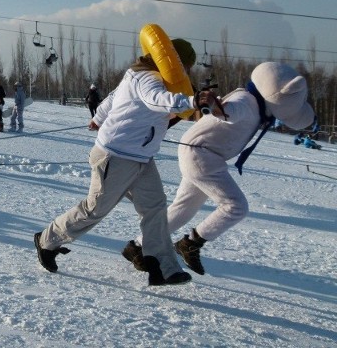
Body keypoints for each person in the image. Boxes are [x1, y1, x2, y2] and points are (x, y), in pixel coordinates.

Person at [34, 38, 208, 286]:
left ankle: (163, 267)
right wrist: (192, 101)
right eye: (186, 67)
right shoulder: (147, 78)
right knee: (95, 210)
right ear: (174, 62)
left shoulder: (137, 76)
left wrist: (99, 117)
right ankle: (46, 240)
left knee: (155, 208)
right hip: (115, 156)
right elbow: (155, 99)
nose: (186, 72)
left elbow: (113, 97)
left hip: (141, 158)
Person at [123, 62, 315, 276]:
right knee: (236, 206)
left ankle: (137, 247)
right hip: (201, 155)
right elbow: (230, 111)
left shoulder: (256, 106)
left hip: (204, 155)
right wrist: (216, 107)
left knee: (184, 208)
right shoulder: (246, 101)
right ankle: (190, 244)